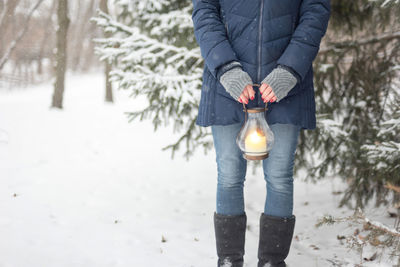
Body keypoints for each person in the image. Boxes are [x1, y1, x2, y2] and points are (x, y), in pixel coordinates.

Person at [191, 0, 330, 266]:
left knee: (279, 176)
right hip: (227, 84)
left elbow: (315, 12)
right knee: (229, 175)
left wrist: (290, 70)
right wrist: (226, 67)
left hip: (287, 86)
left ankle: (272, 262)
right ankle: (229, 261)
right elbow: (204, 12)